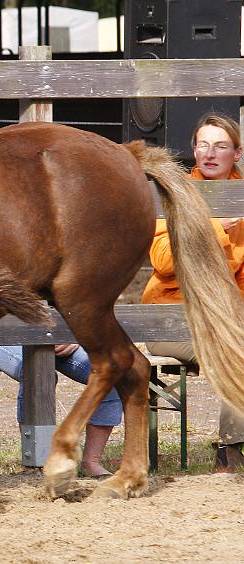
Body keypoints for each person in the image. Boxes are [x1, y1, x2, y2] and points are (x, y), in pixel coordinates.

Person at [143, 112, 244, 472]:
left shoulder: (242, 197)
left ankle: (232, 450)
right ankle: (229, 455)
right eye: (203, 145)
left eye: (220, 146)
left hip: (228, 320)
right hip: (172, 319)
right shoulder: (174, 193)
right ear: (193, 150)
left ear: (237, 152)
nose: (210, 153)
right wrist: (214, 228)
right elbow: (163, 261)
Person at [0, 344, 122, 477]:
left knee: (109, 373)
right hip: (3, 338)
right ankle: (36, 462)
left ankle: (91, 462)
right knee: (38, 371)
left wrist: (73, 338)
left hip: (53, 335)